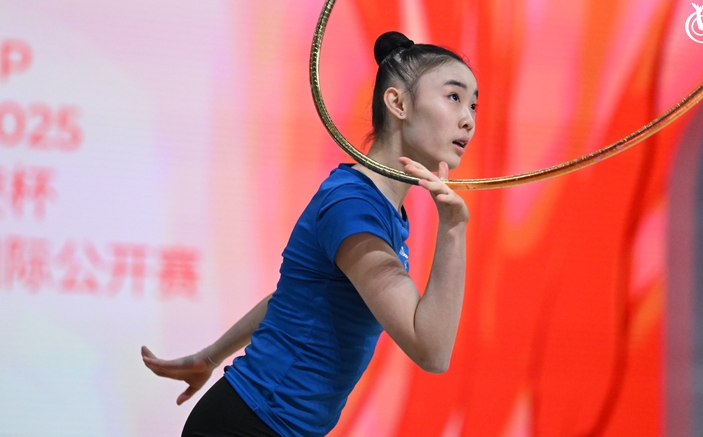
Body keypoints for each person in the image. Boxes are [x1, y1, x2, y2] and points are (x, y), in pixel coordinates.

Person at [141, 31, 478, 437]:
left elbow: (299, 296)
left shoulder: (378, 207)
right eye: (454, 97)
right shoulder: (353, 206)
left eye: (474, 104)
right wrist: (454, 229)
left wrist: (211, 357)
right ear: (398, 103)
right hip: (250, 424)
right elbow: (432, 350)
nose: (469, 119)